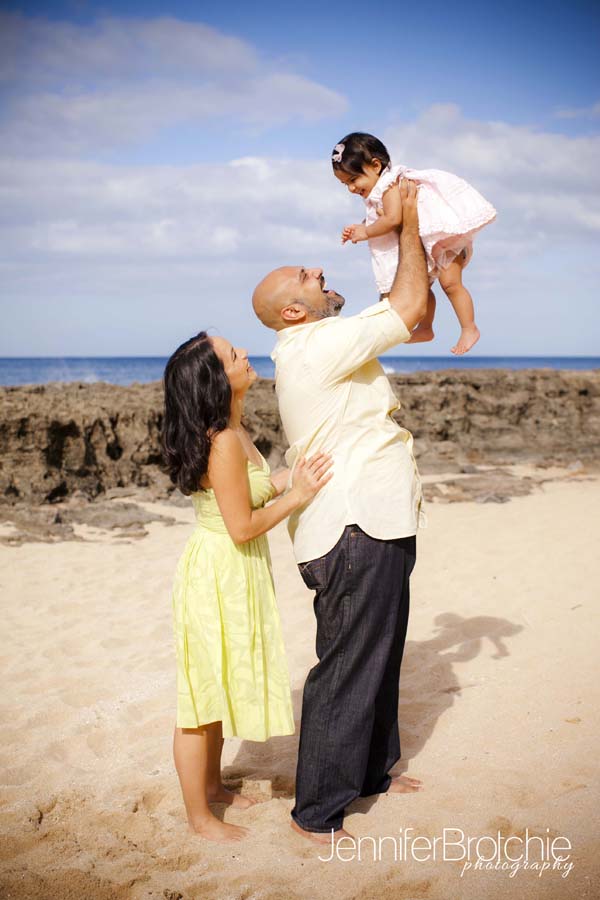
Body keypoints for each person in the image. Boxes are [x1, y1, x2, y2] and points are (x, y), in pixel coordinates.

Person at [251, 179, 427, 845]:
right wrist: (406, 222)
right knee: (349, 665)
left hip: (377, 516)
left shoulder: (323, 339)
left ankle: (373, 774)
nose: (320, 268)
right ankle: (316, 811)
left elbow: (412, 308)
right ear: (295, 312)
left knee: (377, 653)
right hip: (354, 526)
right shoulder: (316, 344)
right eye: (306, 274)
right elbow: (408, 305)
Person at [161, 333, 333, 843]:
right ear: (215, 378)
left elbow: (254, 488)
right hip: (218, 572)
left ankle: (212, 786)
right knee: (198, 699)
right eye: (231, 355)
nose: (243, 355)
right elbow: (242, 525)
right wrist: (298, 495)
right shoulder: (221, 442)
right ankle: (199, 818)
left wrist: (290, 477)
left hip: (233, 572)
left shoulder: (232, 429)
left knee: (212, 688)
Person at [332, 131, 496, 355]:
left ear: (376, 166)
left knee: (451, 284)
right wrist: (361, 225)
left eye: (353, 180)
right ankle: (426, 328)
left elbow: (393, 219)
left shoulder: (390, 185)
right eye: (345, 185)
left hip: (443, 239)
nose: (351, 188)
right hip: (426, 245)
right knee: (421, 288)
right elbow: (384, 218)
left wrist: (366, 232)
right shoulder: (375, 194)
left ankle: (469, 328)